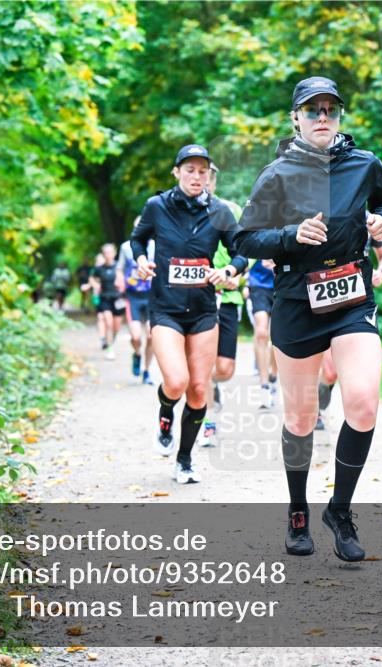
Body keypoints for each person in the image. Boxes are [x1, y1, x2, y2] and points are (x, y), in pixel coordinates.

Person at [235, 76, 382, 561]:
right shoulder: (278, 175)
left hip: (352, 298)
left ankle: (341, 510)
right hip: (296, 303)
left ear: (340, 116)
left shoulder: (364, 164)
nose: (322, 117)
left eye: (330, 109)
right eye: (313, 110)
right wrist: (290, 236)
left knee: (364, 403)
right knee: (301, 416)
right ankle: (297, 511)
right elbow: (245, 240)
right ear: (296, 119)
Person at [131, 144, 248, 484]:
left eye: (203, 171)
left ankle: (184, 460)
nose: (197, 177)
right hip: (166, 307)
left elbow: (240, 251)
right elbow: (138, 240)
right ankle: (165, 414)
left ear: (209, 174)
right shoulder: (157, 206)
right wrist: (141, 260)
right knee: (177, 382)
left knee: (198, 389)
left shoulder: (221, 211)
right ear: (177, 172)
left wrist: (229, 272)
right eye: (190, 170)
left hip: (203, 310)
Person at [317, 232, 382, 431]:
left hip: (357, 302)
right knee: (330, 371)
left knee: (339, 371)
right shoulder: (322, 216)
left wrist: (381, 272)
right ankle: (316, 407)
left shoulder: (367, 220)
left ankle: (324, 409)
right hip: (323, 298)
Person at [201, 161, 245, 447]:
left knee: (224, 369)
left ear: (214, 182)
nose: (203, 182)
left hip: (228, 296)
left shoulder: (231, 210)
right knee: (203, 365)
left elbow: (246, 252)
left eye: (209, 178)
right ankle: (208, 423)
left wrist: (236, 276)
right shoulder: (181, 213)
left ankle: (209, 386)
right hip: (200, 297)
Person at [117, 218, 156, 384]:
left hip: (151, 295)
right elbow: (119, 268)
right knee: (135, 336)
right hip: (132, 296)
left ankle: (146, 371)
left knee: (151, 335)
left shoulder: (156, 245)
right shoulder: (126, 247)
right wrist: (119, 283)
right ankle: (137, 354)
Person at [247, 258, 279, 409]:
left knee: (277, 336)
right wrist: (244, 282)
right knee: (261, 332)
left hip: (282, 282)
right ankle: (264, 386)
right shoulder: (255, 231)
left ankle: (273, 375)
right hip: (258, 284)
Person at [91, 244, 125, 360]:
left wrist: (123, 286)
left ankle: (111, 341)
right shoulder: (99, 269)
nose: (108, 255)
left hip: (118, 299)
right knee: (108, 322)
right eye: (105, 252)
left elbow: (127, 279)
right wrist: (96, 285)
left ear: (114, 253)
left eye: (110, 252)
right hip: (105, 298)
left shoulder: (119, 267)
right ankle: (110, 349)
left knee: (116, 327)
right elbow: (92, 278)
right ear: (103, 254)